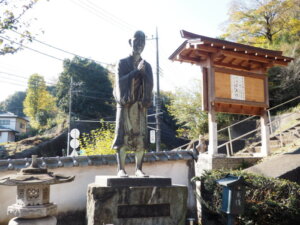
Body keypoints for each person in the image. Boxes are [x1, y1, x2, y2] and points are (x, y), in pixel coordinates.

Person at [112, 30, 153, 177]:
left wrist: (143, 74)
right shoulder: (122, 63)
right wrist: (136, 72)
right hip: (125, 105)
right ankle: (121, 169)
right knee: (123, 137)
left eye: (142, 43)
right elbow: (119, 82)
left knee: (140, 137)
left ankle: (139, 169)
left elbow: (150, 84)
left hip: (139, 106)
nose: (139, 45)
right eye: (136, 42)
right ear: (130, 42)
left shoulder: (147, 65)